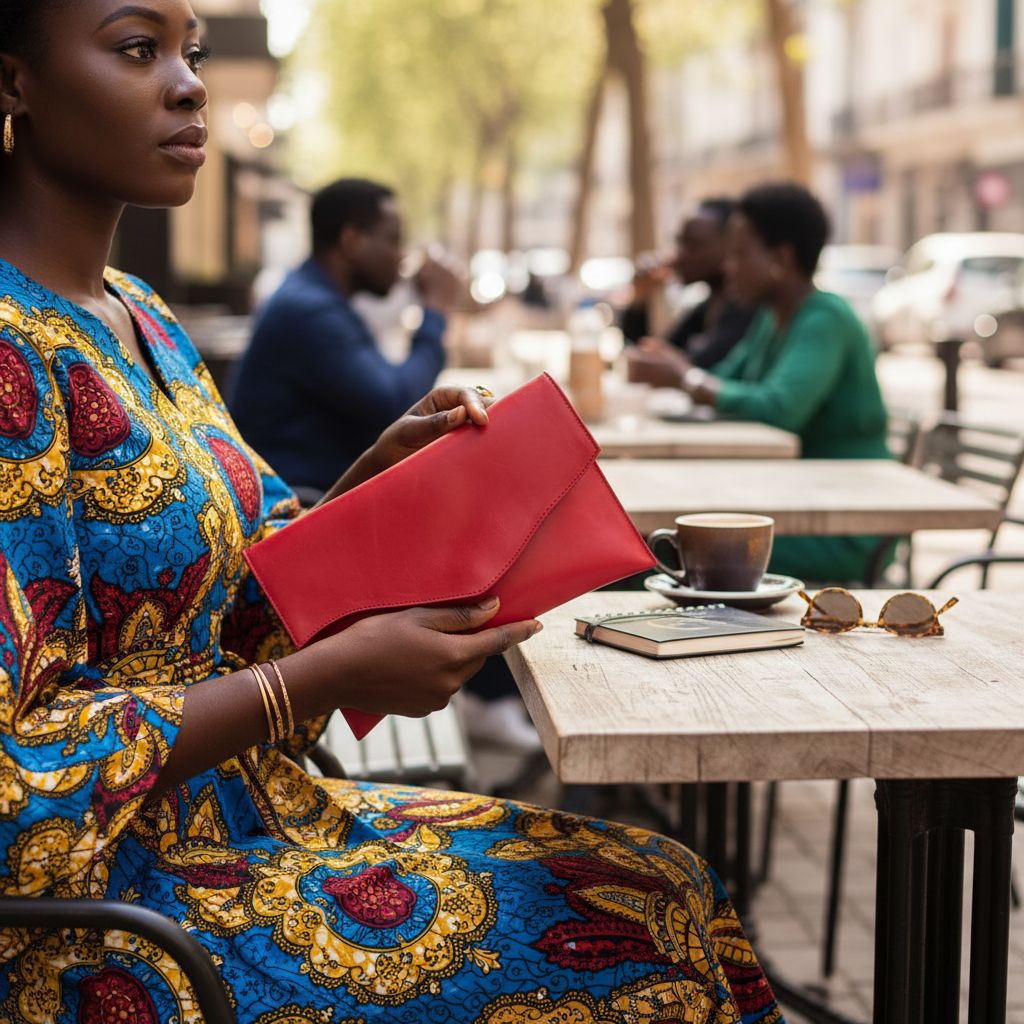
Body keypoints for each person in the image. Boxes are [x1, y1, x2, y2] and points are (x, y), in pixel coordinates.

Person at [0, 2, 784, 1022]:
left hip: (249, 816)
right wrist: (320, 678)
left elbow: (230, 603)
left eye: (190, 53)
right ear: (14, 82)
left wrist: (371, 482)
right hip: (105, 915)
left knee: (671, 874)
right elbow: (18, 777)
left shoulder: (138, 313)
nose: (189, 85)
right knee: (648, 938)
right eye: (136, 49)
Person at [629, 183, 891, 583]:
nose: (729, 267)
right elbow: (727, 382)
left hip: (845, 526)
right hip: (792, 502)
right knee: (643, 539)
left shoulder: (825, 319)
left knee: (650, 550)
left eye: (739, 254)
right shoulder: (773, 317)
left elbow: (779, 408)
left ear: (781, 259)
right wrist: (686, 375)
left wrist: (685, 377)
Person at [229, 177, 460, 500]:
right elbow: (396, 404)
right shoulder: (309, 311)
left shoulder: (316, 298)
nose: (401, 255)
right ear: (352, 241)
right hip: (295, 504)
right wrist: (435, 310)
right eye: (393, 240)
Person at [621, 198, 756, 371]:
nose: (680, 255)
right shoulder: (707, 306)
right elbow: (646, 354)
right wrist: (640, 298)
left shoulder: (748, 309)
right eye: (680, 242)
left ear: (730, 246)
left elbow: (701, 371)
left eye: (694, 244)